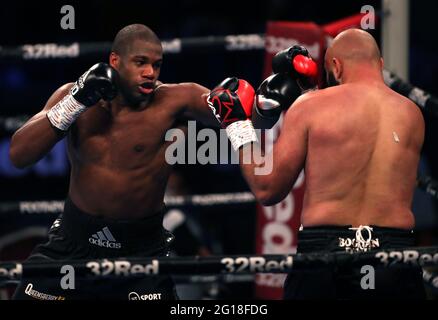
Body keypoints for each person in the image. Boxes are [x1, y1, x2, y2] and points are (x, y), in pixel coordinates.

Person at [207, 28, 426, 299]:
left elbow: (267, 188)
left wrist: (237, 124)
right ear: (380, 64)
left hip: (326, 253)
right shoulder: (412, 114)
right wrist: (311, 91)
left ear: (335, 65)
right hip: (393, 256)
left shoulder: (311, 106)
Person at [9, 24, 218, 300]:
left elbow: (239, 112)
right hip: (72, 243)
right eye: (141, 62)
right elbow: (19, 155)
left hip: (141, 252)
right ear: (115, 60)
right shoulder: (73, 96)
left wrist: (264, 102)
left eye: (157, 65)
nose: (150, 73)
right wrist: (74, 103)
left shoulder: (175, 100)